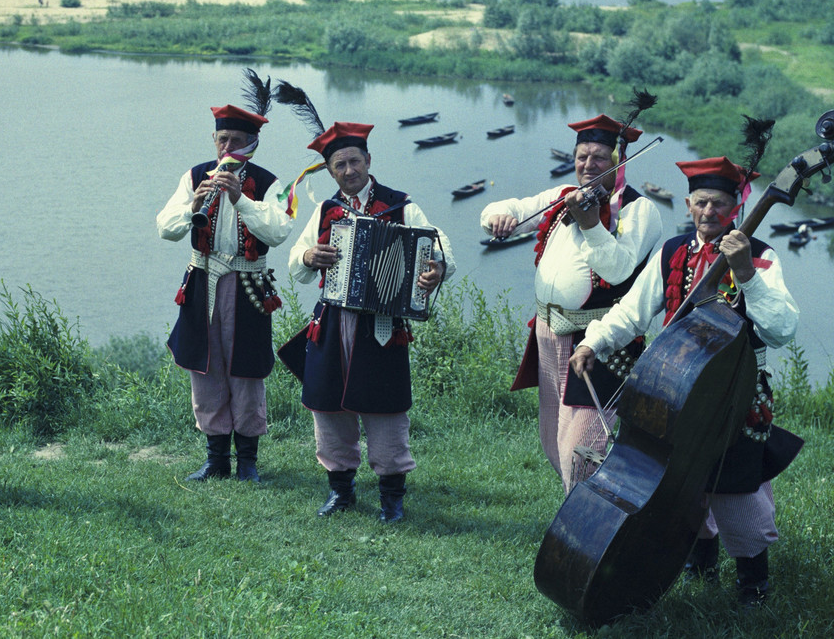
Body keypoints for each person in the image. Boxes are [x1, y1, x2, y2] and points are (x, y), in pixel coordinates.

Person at [570, 156, 802, 607]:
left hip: (734, 395)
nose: (708, 212)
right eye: (700, 203)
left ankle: (753, 581)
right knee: (675, 479)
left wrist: (746, 274)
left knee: (737, 490)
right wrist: (592, 343)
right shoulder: (674, 251)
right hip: (675, 391)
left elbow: (781, 328)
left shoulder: (760, 255)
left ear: (737, 206)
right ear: (688, 204)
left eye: (718, 203)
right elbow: (632, 311)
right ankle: (700, 561)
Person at [281, 122, 454, 522]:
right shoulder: (326, 211)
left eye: (354, 161)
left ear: (368, 161)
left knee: (386, 410)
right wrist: (310, 257)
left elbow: (440, 248)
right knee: (327, 408)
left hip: (381, 327)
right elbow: (296, 262)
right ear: (330, 170)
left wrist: (435, 271)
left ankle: (392, 497)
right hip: (332, 321)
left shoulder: (401, 205)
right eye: (338, 164)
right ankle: (341, 491)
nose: (348, 170)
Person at [480, 115, 663, 494]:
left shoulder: (638, 211)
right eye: (582, 157)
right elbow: (514, 207)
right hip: (548, 335)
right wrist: (497, 217)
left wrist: (592, 224)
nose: (588, 166)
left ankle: (588, 529)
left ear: (620, 161)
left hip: (599, 341)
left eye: (599, 158)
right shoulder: (564, 196)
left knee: (583, 448)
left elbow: (619, 268)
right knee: (553, 437)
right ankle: (583, 512)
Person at [157, 103, 292, 483]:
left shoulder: (268, 183)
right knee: (205, 366)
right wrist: (193, 205)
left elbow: (279, 231)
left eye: (236, 140)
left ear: (253, 144)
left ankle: (247, 461)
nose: (227, 147)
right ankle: (216, 458)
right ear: (213, 140)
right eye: (222, 139)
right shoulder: (196, 175)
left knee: (246, 370)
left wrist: (240, 200)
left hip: (248, 285)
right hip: (203, 280)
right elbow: (165, 227)